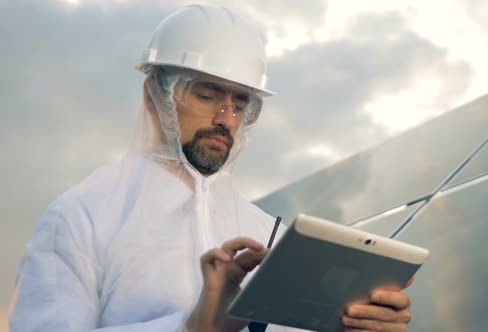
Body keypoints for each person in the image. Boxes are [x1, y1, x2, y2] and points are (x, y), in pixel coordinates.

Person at [9, 4, 413, 332]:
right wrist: (190, 329)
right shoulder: (82, 217)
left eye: (241, 103)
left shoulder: (268, 235)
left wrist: (361, 327)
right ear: (154, 94)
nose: (227, 118)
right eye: (207, 95)